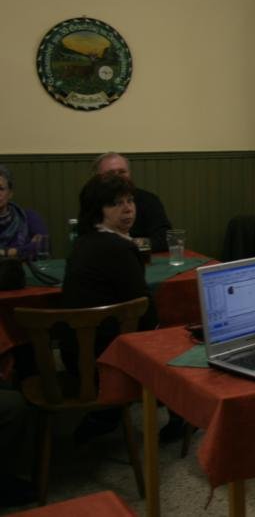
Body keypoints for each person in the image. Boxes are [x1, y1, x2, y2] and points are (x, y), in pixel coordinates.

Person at [60, 173, 159, 444]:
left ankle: (106, 416)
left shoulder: (84, 241)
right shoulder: (118, 248)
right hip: (105, 362)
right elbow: (144, 310)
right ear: (98, 211)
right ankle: (178, 413)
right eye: (116, 203)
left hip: (76, 356)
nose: (127, 209)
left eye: (130, 201)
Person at [92, 152, 173, 252]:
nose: (118, 177)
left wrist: (131, 244)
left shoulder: (148, 199)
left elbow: (165, 238)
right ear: (97, 177)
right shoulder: (92, 201)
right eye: (110, 174)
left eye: (122, 172)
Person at [0, 164, 48, 259]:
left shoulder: (29, 217)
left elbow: (43, 245)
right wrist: (26, 249)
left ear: (10, 193)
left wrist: (6, 252)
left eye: (0, 189)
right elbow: (33, 248)